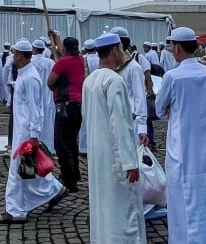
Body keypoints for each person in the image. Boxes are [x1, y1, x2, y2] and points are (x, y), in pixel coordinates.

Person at [155, 27, 206, 243]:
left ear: (177, 47)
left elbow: (159, 109)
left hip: (182, 150)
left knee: (184, 201)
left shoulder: (172, 77)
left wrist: (175, 114)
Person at [83, 33, 147, 243]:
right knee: (123, 209)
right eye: (121, 49)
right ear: (114, 51)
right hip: (115, 156)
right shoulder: (114, 80)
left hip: (97, 153)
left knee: (103, 205)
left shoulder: (89, 81)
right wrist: (130, 162)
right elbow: (120, 124)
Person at [0, 40, 67, 225]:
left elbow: (34, 109)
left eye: (15, 54)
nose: (13, 57)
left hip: (26, 133)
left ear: (20, 55)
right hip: (23, 130)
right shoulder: (24, 74)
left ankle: (15, 211)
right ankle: (54, 189)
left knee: (16, 172)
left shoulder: (30, 77)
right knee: (28, 171)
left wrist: (34, 136)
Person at [47, 35, 86, 193]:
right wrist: (56, 37)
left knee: (61, 143)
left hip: (65, 105)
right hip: (78, 104)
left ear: (65, 49)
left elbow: (50, 82)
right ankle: (75, 173)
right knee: (72, 142)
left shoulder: (62, 62)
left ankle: (69, 179)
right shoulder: (82, 60)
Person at [30, 39, 56, 149]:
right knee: (48, 121)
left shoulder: (30, 61)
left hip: (33, 95)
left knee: (33, 119)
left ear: (34, 49)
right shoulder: (50, 62)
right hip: (47, 94)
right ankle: (48, 146)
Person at [79, 39, 99, 155]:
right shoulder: (99, 59)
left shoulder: (83, 59)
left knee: (85, 119)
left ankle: (83, 147)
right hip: (98, 90)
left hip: (85, 90)